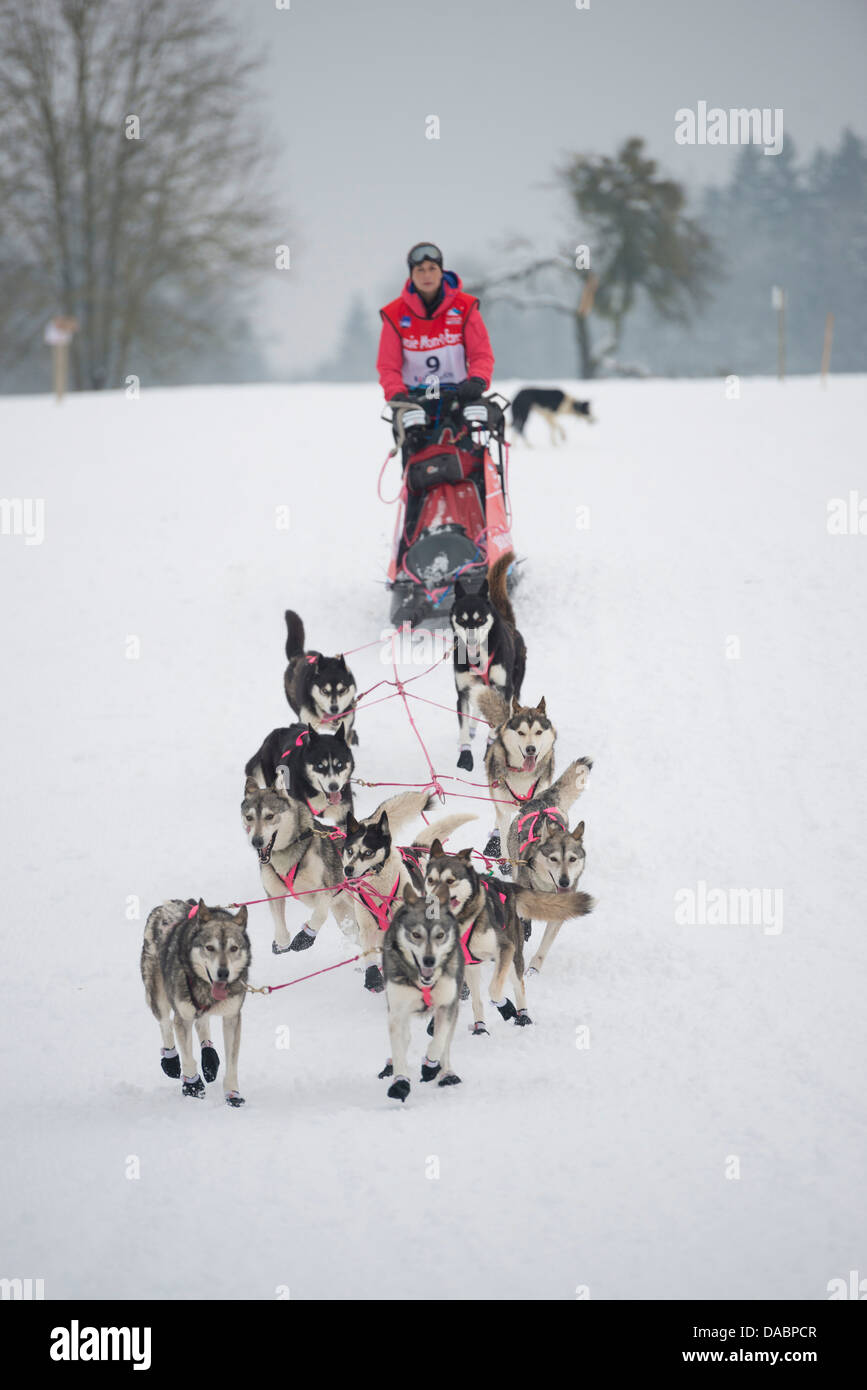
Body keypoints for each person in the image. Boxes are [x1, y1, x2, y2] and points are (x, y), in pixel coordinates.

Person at [377, 242, 494, 406]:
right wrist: (395, 393)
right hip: (414, 397)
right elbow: (388, 365)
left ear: (441, 272)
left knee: (479, 417)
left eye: (432, 268)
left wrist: (478, 379)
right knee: (413, 425)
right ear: (411, 275)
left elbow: (481, 354)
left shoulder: (465, 307)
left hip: (459, 393)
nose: (427, 276)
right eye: (420, 270)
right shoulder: (394, 314)